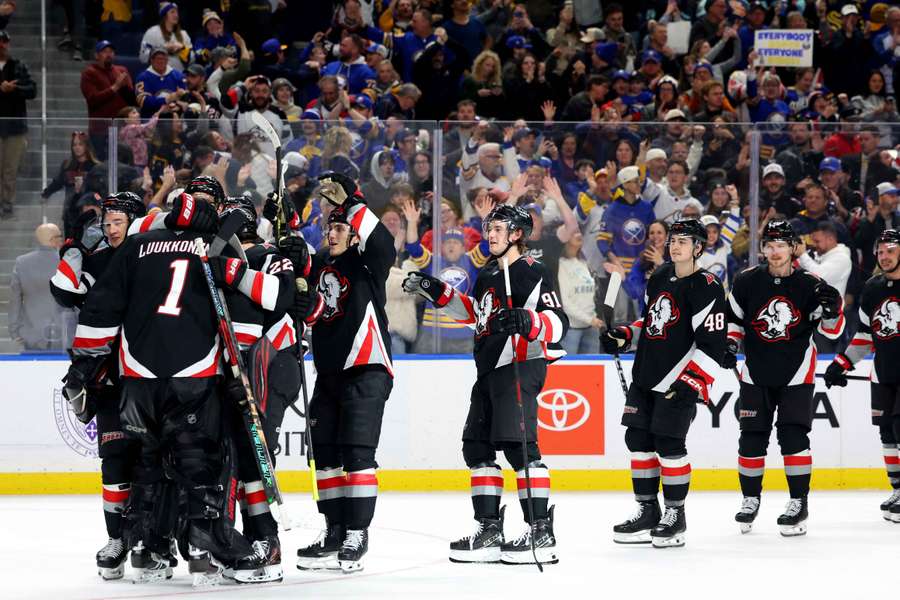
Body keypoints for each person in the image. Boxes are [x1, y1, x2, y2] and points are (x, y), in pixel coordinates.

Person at [68, 191, 256, 585]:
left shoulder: (135, 246)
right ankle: (205, 550)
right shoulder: (211, 247)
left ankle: (144, 548)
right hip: (194, 374)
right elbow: (239, 310)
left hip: (137, 377)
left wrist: (84, 363)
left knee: (147, 464)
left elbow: (102, 307)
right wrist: (241, 367)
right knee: (196, 461)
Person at [403, 204, 567, 565]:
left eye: (498, 228)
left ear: (517, 234)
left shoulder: (533, 271)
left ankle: (541, 530)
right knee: (476, 449)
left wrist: (528, 319)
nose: (490, 234)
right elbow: (475, 314)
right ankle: (489, 530)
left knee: (519, 449)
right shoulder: (490, 273)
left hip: (520, 364)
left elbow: (558, 322)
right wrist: (435, 290)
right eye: (488, 227)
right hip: (489, 368)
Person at [604, 219, 727, 548]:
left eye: (684, 241)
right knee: (638, 440)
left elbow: (714, 344)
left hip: (679, 380)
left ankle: (675, 515)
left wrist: (692, 382)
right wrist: (625, 335)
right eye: (674, 240)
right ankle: (647, 512)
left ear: (698, 248)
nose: (675, 246)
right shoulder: (659, 276)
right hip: (646, 375)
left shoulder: (708, 286)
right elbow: (652, 320)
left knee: (670, 445)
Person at [295, 172, 395, 574]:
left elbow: (383, 242)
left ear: (354, 234)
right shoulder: (318, 266)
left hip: (367, 367)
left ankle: (358, 531)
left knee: (357, 454)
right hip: (330, 374)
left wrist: (354, 202)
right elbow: (302, 291)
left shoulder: (368, 263)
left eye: (341, 228)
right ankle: (334, 531)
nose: (333, 233)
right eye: (330, 226)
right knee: (327, 458)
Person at [724, 220, 845, 537]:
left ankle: (798, 503)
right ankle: (750, 500)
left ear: (793, 248)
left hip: (796, 374)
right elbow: (734, 322)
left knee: (793, 439)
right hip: (755, 373)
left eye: (781, 245)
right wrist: (729, 344)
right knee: (751, 439)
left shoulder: (811, 284)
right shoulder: (746, 281)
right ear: (763, 249)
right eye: (769, 245)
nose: (775, 251)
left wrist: (834, 310)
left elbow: (832, 331)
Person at [50, 193, 146, 580]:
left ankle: (153, 539)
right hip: (110, 378)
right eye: (106, 223)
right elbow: (63, 291)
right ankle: (118, 538)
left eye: (118, 222)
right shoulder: (98, 260)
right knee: (115, 457)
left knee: (156, 460)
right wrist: (74, 249)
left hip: (151, 376)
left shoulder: (152, 261)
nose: (110, 229)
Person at [823, 230, 900, 521]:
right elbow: (867, 335)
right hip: (883, 373)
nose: (884, 256)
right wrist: (841, 363)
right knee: (887, 434)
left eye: (890, 250)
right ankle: (897, 489)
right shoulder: (873, 288)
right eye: (880, 251)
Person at [9, 223, 68, 351]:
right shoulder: (67, 262)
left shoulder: (21, 262)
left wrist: (14, 330)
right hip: (64, 332)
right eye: (59, 237)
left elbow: (15, 299)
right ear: (53, 240)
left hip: (31, 333)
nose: (61, 240)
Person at [0, 29, 36, 219]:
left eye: (4, 41)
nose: (2, 45)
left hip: (14, 126)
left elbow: (32, 90)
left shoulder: (18, 66)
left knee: (10, 168)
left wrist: (14, 88)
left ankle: (7, 202)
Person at [81, 40, 135, 159]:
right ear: (96, 55)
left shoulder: (122, 70)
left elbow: (131, 100)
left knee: (123, 163)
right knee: (101, 165)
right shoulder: (89, 73)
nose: (109, 54)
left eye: (111, 51)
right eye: (104, 51)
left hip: (122, 130)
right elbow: (92, 99)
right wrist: (114, 87)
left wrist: (136, 92)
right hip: (100, 130)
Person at [140, 2, 192, 71]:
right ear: (164, 16)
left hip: (179, 75)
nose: (176, 15)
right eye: (172, 12)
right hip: (158, 75)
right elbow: (143, 57)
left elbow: (192, 59)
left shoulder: (184, 34)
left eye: (177, 12)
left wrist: (182, 49)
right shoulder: (152, 32)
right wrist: (162, 49)